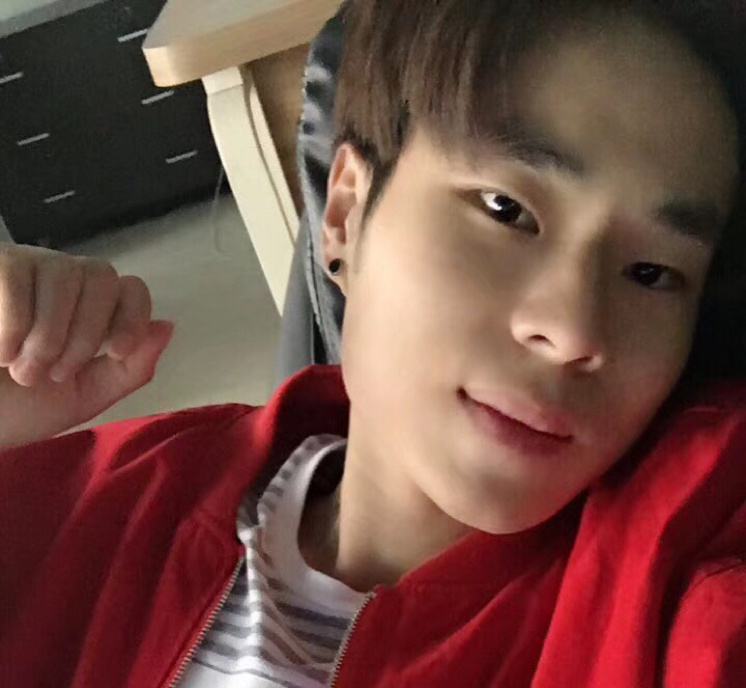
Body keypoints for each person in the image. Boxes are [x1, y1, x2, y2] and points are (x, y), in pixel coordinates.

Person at [1, 1, 746, 686]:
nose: (574, 332)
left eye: (652, 273)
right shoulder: (111, 512)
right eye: (506, 209)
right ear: (346, 215)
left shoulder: (664, 582)